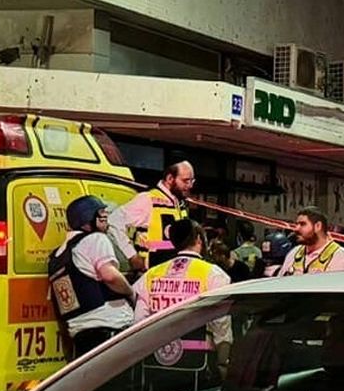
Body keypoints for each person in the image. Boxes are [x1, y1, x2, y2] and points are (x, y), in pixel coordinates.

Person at [133, 219, 234, 374]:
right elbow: (220, 322)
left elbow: (139, 321)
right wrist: (223, 360)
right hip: (198, 361)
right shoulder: (213, 274)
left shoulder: (152, 274)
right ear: (199, 239)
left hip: (157, 360)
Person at [50, 195, 135, 357]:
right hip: (111, 330)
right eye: (101, 213)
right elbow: (110, 276)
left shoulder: (56, 257)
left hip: (80, 336)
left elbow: (59, 308)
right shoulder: (95, 239)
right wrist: (131, 293)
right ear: (88, 219)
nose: (106, 219)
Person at [112, 160, 196, 263]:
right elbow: (114, 221)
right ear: (170, 178)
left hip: (171, 270)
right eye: (186, 181)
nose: (190, 186)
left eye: (192, 181)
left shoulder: (179, 203)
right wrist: (131, 255)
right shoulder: (147, 199)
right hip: (151, 270)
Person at [279, 206, 344, 275]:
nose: (296, 228)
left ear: (318, 226)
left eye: (302, 224)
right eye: (297, 224)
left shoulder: (342, 259)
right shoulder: (293, 254)